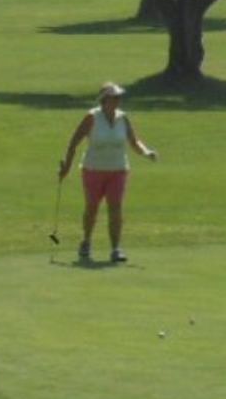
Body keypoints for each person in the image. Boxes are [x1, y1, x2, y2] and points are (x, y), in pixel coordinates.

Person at [59, 81, 158, 263]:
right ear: (104, 100)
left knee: (116, 208)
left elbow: (134, 142)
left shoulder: (123, 117)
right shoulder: (92, 117)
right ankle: (86, 242)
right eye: (114, 98)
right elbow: (74, 142)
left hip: (118, 169)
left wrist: (146, 152)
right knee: (92, 208)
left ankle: (115, 249)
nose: (118, 101)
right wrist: (67, 166)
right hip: (93, 169)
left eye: (119, 97)